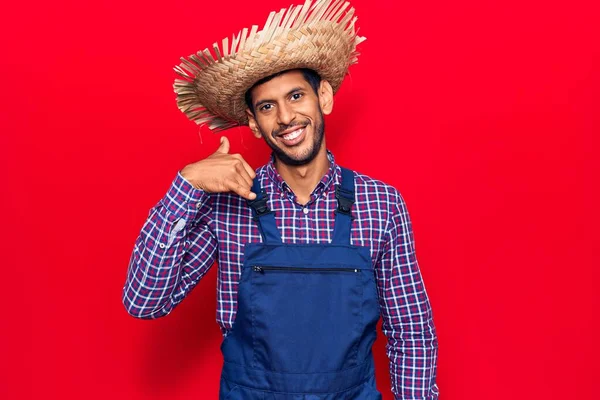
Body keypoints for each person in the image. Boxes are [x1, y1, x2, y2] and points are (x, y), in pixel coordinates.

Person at [122, 0, 438, 398]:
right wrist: (185, 186)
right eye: (268, 107)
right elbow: (144, 301)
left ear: (323, 97)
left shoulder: (380, 205)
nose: (286, 118)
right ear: (254, 123)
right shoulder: (228, 206)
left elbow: (411, 331)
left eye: (295, 96)